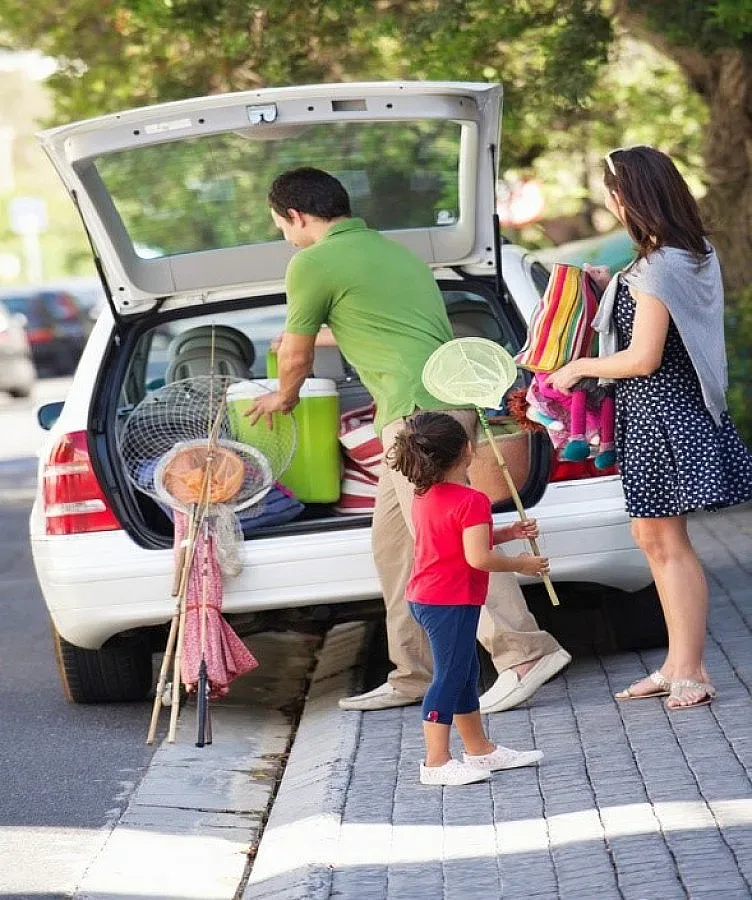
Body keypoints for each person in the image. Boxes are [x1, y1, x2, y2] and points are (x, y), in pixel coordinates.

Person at [248, 166, 570, 714]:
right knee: (395, 547)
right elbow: (383, 323)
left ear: (297, 216)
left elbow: (297, 357)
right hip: (442, 405)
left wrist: (283, 397)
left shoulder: (311, 262)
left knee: (448, 542)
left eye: (282, 226)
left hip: (416, 417)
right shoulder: (393, 253)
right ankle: (413, 674)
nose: (285, 236)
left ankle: (523, 651)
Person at [547, 145, 752, 711]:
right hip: (664, 413)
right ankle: (677, 663)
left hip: (661, 414)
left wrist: (581, 365)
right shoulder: (690, 253)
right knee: (654, 541)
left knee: (666, 544)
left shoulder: (660, 264)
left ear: (625, 196)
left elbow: (642, 358)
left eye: (612, 191)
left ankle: (690, 669)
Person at [388, 412, 546, 785]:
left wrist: (506, 532)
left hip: (431, 596)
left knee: (464, 673)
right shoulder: (472, 499)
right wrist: (521, 564)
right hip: (450, 600)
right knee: (450, 677)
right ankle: (435, 763)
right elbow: (478, 558)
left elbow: (456, 541)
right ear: (468, 450)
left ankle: (480, 751)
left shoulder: (424, 494)